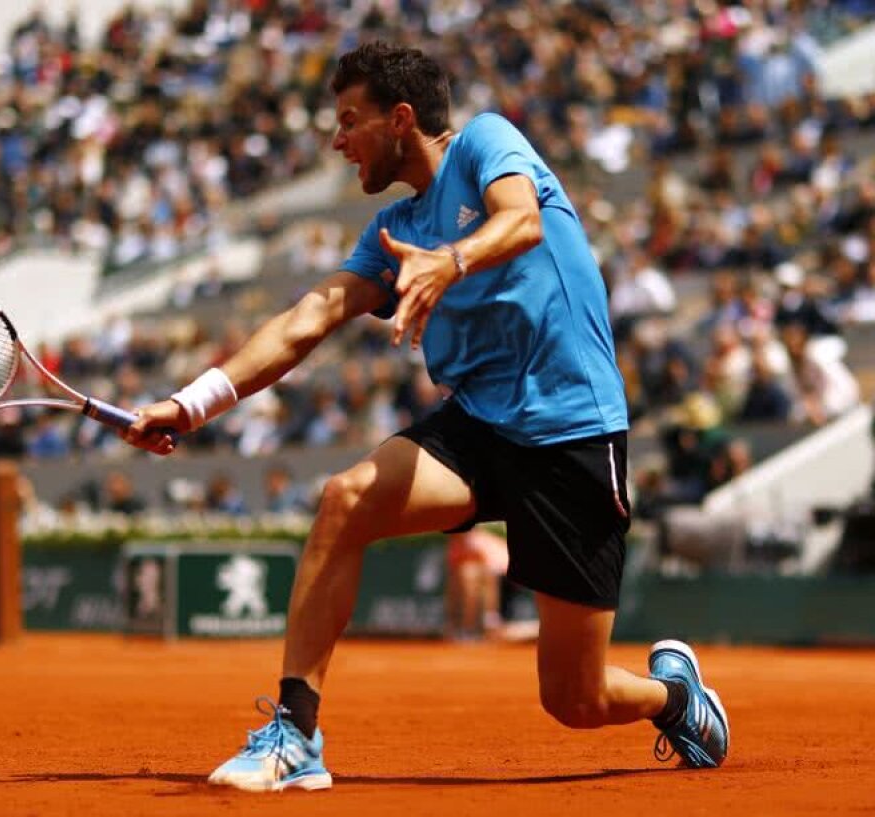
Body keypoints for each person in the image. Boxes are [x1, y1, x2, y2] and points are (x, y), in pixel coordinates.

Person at [123, 41, 728, 791]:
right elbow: (309, 318)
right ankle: (296, 735)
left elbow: (521, 222)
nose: (338, 140)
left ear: (402, 118)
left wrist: (451, 260)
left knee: (576, 698)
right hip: (476, 426)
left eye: (351, 120)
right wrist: (190, 404)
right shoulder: (394, 228)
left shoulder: (486, 142)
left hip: (571, 430)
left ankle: (674, 697)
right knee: (345, 499)